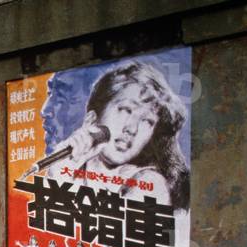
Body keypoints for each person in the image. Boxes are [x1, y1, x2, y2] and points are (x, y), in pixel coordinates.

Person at [45, 61, 189, 211]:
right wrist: (61, 171)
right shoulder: (71, 168)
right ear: (92, 119)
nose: (132, 129)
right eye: (125, 110)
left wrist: (60, 181)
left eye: (147, 121)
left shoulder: (150, 184)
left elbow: (88, 229)